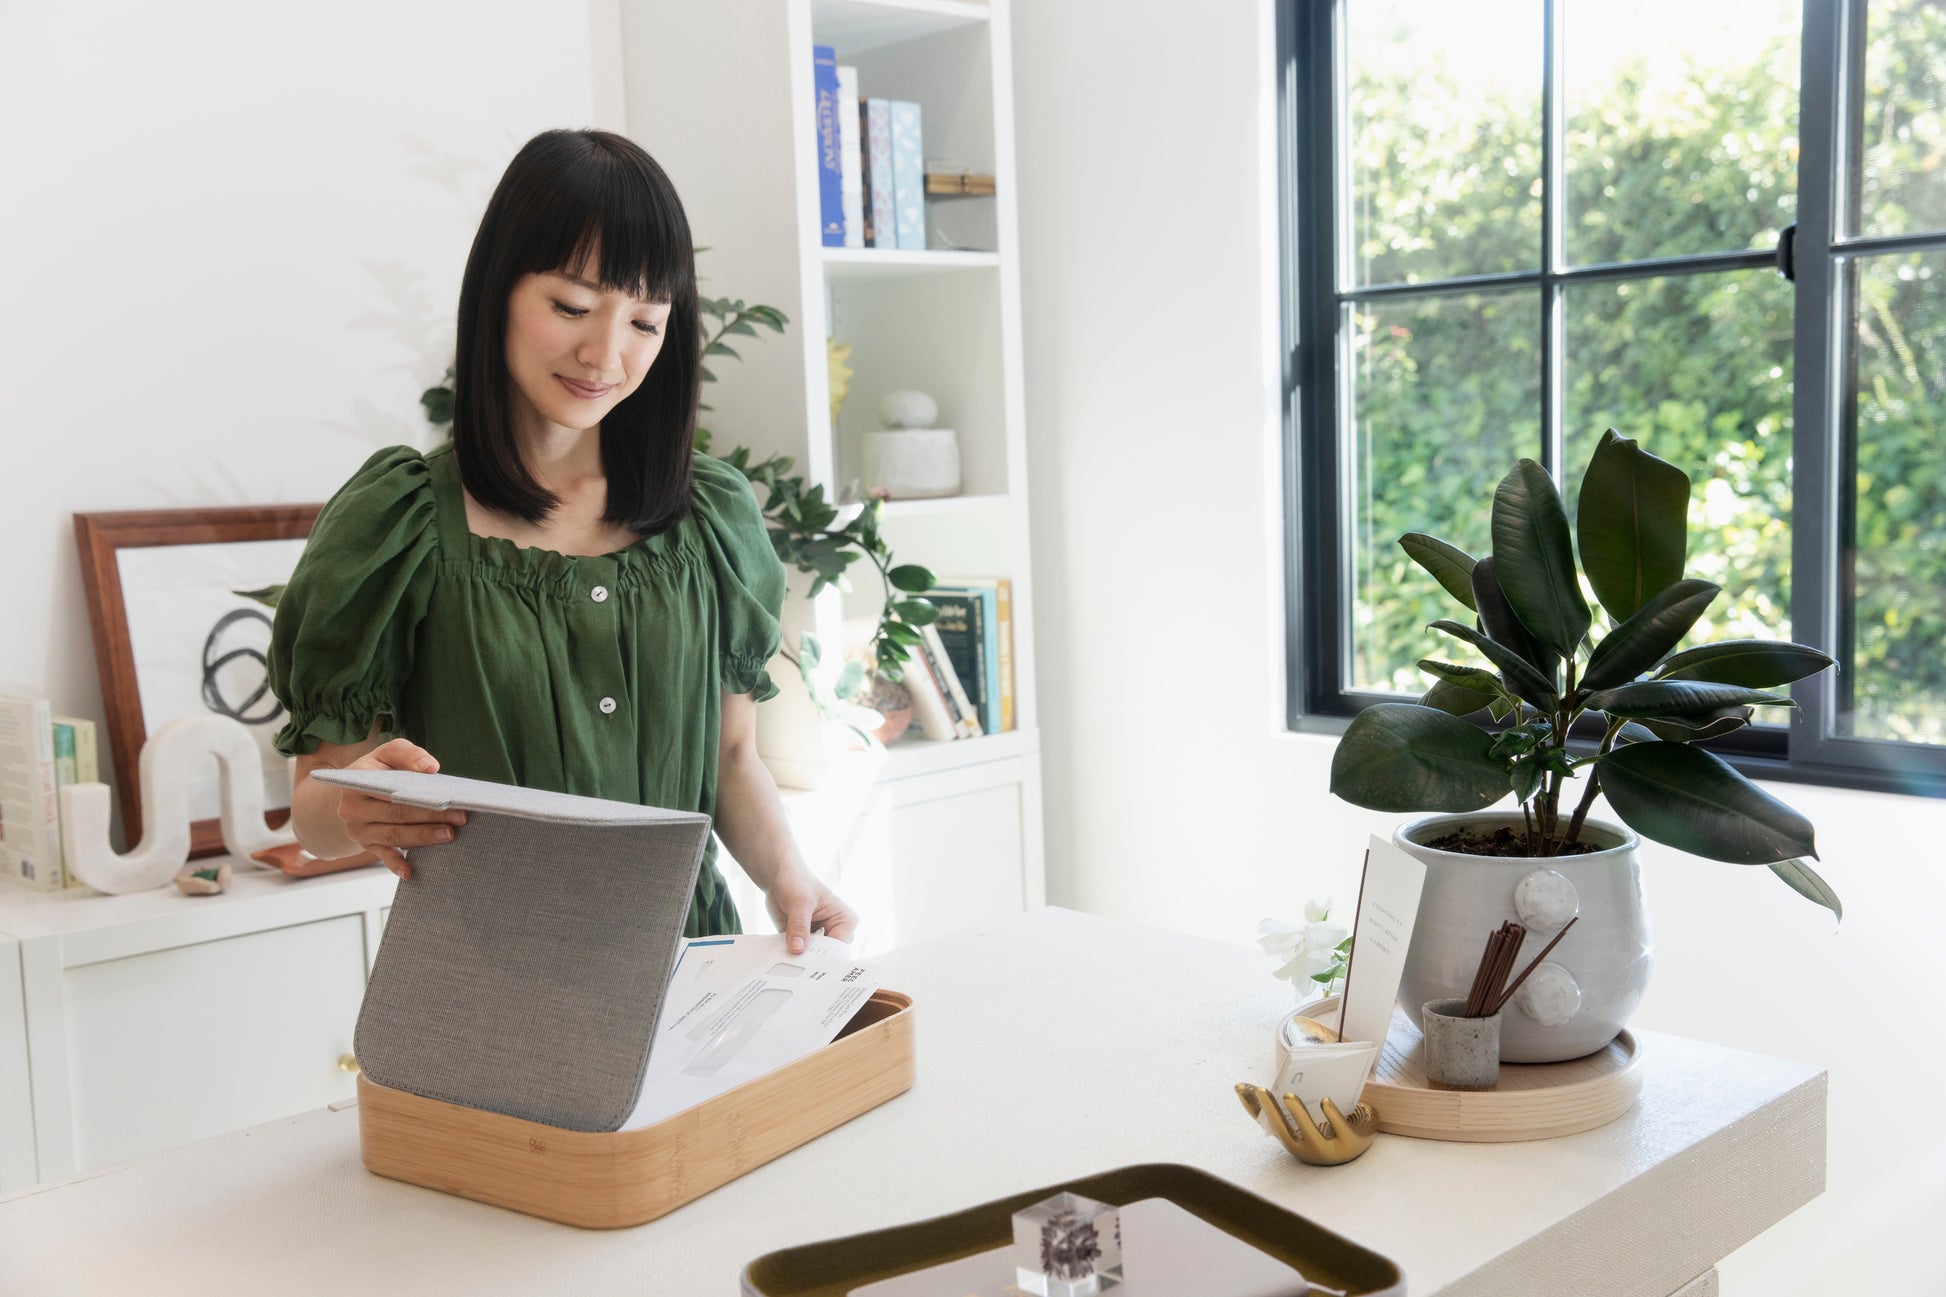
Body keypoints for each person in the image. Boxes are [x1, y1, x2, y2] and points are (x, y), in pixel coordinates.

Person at [268, 129, 855, 954]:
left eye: (645, 323)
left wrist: (787, 874)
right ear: (499, 292)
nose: (604, 355)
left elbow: (730, 759)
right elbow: (316, 816)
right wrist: (356, 802)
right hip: (489, 995)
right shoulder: (399, 522)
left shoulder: (709, 518)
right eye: (572, 308)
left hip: (692, 973)